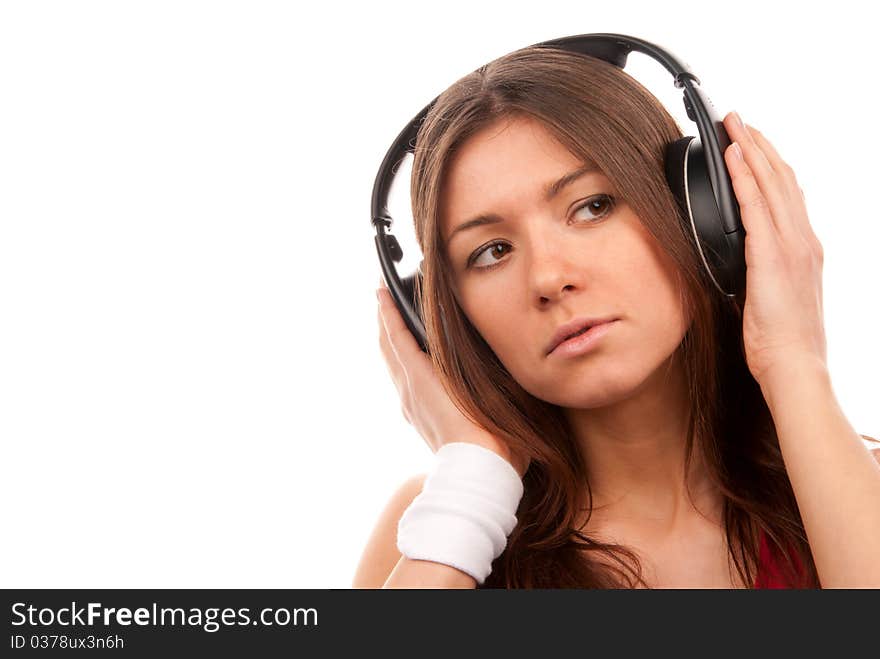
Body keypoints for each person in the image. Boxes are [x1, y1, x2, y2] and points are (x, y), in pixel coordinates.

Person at [354, 46, 880, 589]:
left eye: (592, 207)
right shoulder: (436, 529)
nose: (548, 279)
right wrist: (471, 482)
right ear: (443, 316)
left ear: (697, 210)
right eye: (491, 251)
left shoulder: (863, 490)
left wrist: (793, 362)